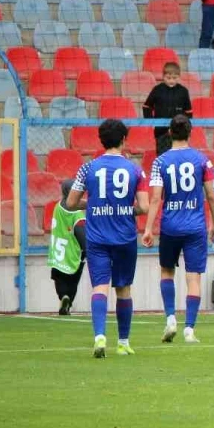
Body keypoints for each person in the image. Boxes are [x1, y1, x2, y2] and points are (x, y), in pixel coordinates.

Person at [66, 119, 149, 358]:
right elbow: (143, 207)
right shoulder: (135, 170)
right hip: (124, 237)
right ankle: (123, 342)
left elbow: (70, 203)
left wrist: (92, 204)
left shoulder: (87, 168)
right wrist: (126, 209)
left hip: (97, 237)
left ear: (101, 140)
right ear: (124, 140)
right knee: (123, 289)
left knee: (99, 286)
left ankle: (100, 336)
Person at [141, 115, 214, 344]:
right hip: (195, 227)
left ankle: (170, 319)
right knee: (193, 277)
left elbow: (156, 198)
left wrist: (148, 229)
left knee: (167, 272)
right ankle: (189, 330)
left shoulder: (160, 161)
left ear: (169, 132)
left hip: (170, 227)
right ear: (190, 132)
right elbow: (212, 197)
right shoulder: (202, 160)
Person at [47, 179, 87, 316]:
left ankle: (62, 296)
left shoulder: (57, 207)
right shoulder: (77, 215)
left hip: (57, 253)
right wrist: (86, 249)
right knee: (73, 282)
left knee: (59, 279)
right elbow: (80, 232)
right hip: (72, 253)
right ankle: (68, 299)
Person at [142, 62, 192, 153]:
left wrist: (187, 129)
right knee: (162, 157)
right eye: (168, 78)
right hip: (161, 132)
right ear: (163, 76)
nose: (171, 81)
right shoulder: (157, 90)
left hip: (179, 133)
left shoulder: (183, 91)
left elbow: (188, 112)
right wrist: (151, 122)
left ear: (179, 77)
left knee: (178, 157)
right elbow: (146, 106)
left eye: (174, 78)